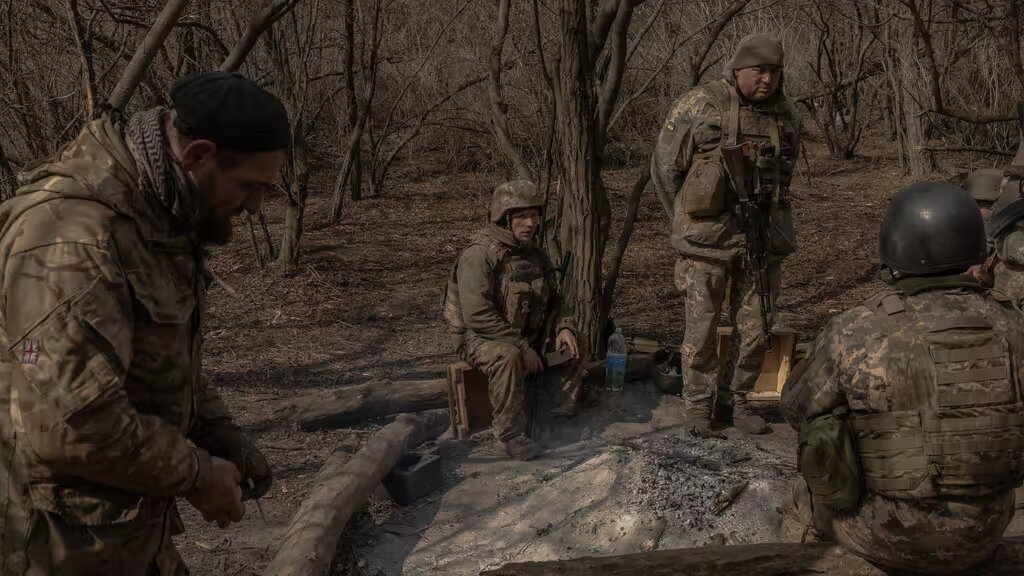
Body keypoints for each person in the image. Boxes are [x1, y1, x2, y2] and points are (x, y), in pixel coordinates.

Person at [0, 71, 286, 575]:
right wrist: (199, 475)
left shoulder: (159, 211)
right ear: (198, 155)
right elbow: (74, 423)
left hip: (126, 535)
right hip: (55, 547)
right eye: (249, 187)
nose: (254, 207)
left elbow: (161, 353)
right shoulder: (70, 241)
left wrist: (218, 432)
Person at [780, 182, 1024, 573]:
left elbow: (794, 408)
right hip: (988, 529)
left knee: (800, 498)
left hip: (891, 535)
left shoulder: (856, 328)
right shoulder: (1012, 323)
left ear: (894, 246)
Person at [650, 33, 801, 438]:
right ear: (737, 70)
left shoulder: (786, 114)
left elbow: (786, 170)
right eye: (759, 71)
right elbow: (665, 169)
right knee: (700, 330)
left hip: (761, 239)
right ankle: (698, 409)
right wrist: (686, 219)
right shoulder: (699, 104)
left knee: (755, 327)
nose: (767, 79)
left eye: (774, 71)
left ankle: (736, 400)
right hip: (706, 243)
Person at [443, 180, 580, 460]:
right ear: (504, 219)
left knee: (575, 344)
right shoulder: (479, 256)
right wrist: (523, 347)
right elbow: (477, 315)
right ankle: (508, 437)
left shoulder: (535, 254)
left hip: (523, 334)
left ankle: (554, 414)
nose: (530, 223)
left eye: (534, 215)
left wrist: (564, 326)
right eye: (521, 216)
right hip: (476, 337)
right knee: (507, 356)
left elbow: (556, 299)